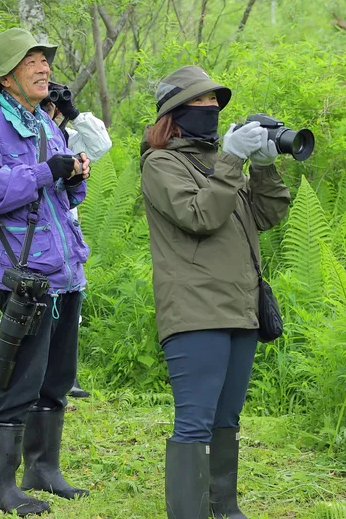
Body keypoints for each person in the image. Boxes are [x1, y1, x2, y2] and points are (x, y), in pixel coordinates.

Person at [139, 66, 290, 519]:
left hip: (241, 308)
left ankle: (225, 509)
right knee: (195, 423)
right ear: (175, 114)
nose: (211, 112)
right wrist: (231, 160)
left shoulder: (215, 162)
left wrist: (262, 166)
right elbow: (199, 216)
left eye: (215, 105)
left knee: (227, 421)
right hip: (194, 311)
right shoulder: (161, 163)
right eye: (200, 105)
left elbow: (268, 215)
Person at [0, 28, 91, 515]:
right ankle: (1, 488)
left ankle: (43, 470)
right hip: (24, 273)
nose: (44, 68)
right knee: (21, 378)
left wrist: (73, 175)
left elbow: (62, 195)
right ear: (7, 76)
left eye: (45, 60)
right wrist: (46, 172)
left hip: (65, 268)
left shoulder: (45, 122)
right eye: (32, 60)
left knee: (57, 376)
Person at [41, 83, 113, 399]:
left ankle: (66, 375)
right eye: (45, 106)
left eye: (51, 106)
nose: (48, 112)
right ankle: (36, 373)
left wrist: (72, 112)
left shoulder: (69, 137)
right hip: (36, 228)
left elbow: (101, 145)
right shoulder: (24, 138)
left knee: (71, 305)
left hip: (66, 227)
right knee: (38, 304)